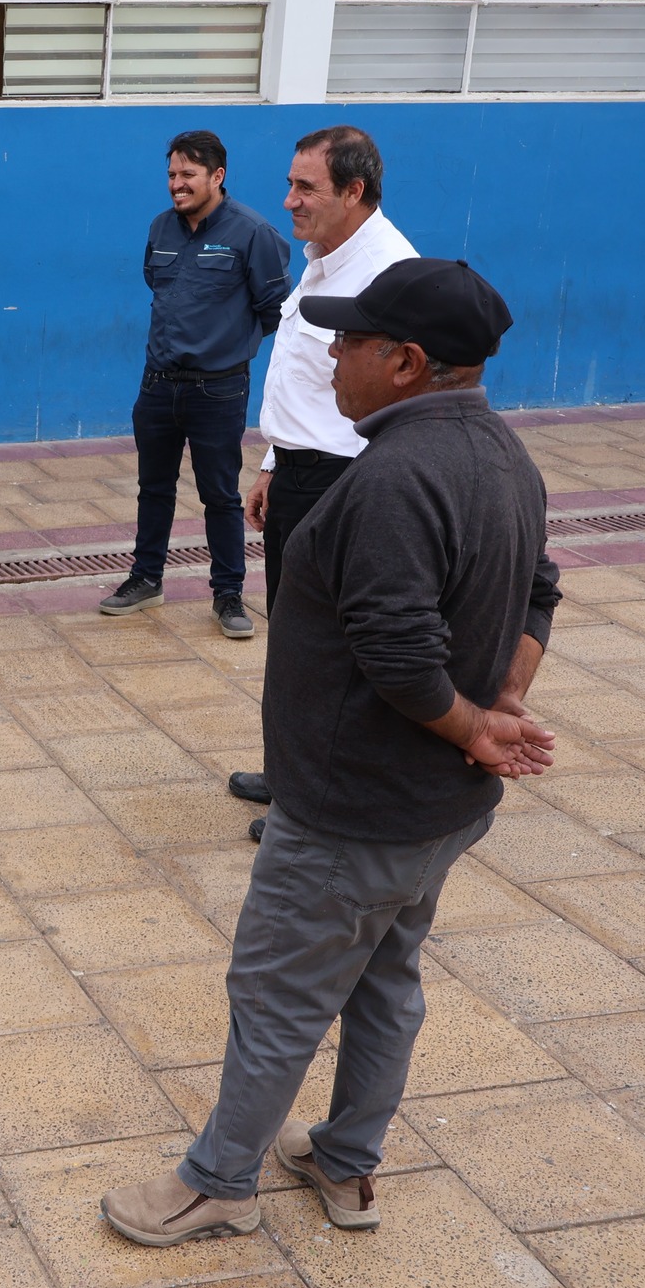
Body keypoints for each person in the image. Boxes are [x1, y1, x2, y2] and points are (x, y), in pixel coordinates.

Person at [98, 259, 561, 1248]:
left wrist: (475, 723)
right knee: (386, 977)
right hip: (438, 809)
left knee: (276, 996)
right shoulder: (502, 457)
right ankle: (344, 1165)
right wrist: (501, 701)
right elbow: (537, 592)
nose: (330, 354)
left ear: (405, 363)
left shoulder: (394, 479)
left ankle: (216, 1182)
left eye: (347, 342)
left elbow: (398, 651)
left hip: (353, 808)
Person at [229, 128, 417, 834]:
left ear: (355, 191)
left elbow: (395, 399)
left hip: (347, 482)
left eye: (306, 188)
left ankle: (315, 800)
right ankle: (290, 774)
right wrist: (276, 463)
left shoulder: (388, 273)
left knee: (331, 649)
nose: (289, 201)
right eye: (290, 183)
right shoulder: (322, 259)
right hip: (301, 474)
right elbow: (307, 381)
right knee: (296, 638)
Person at [99, 130, 291, 640]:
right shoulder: (161, 227)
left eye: (188, 175)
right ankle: (146, 579)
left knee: (220, 496)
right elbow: (157, 286)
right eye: (171, 175)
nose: (177, 185)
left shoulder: (253, 233)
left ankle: (228, 594)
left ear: (217, 176)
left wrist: (227, 344)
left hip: (219, 390)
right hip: (158, 385)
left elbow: (277, 311)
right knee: (152, 489)